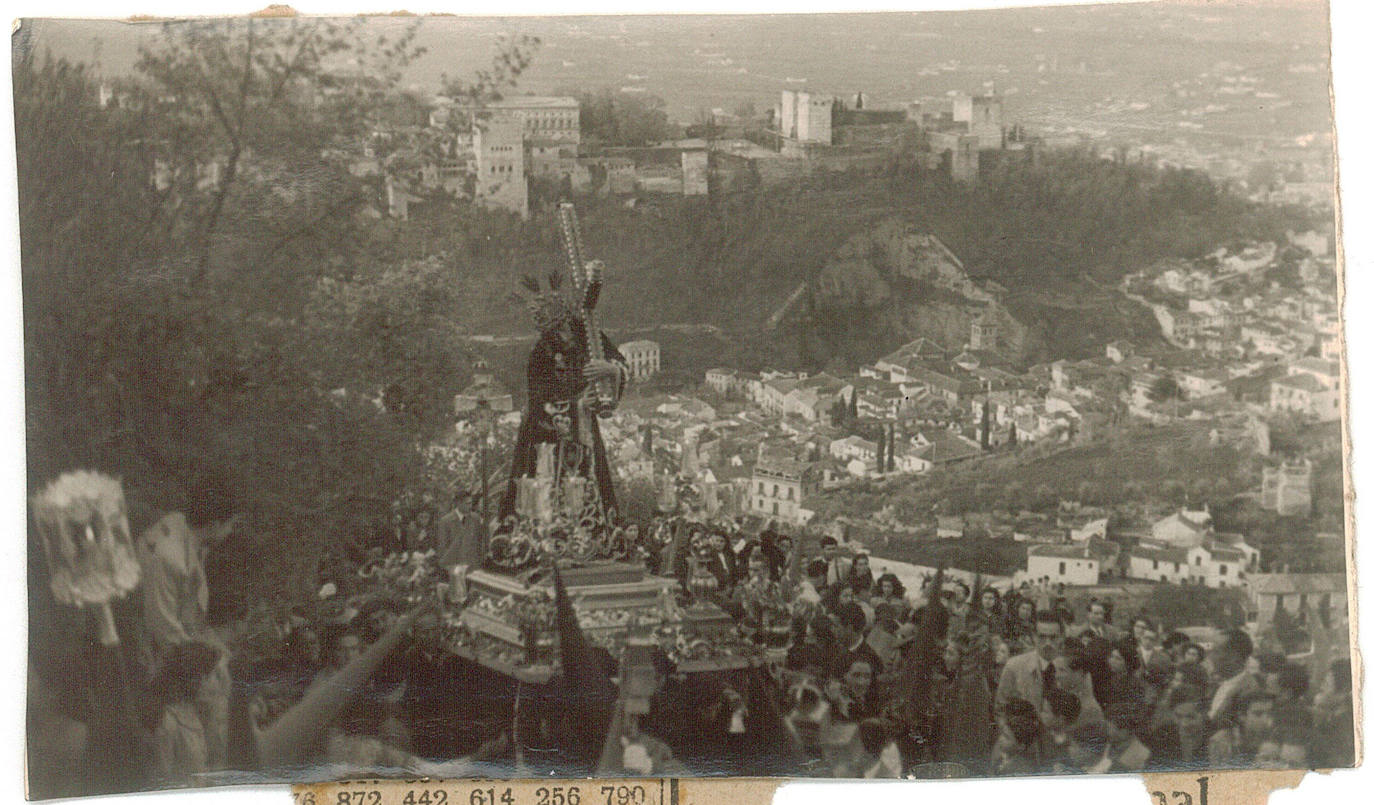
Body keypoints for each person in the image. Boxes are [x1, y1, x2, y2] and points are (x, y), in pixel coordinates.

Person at [498, 274, 629, 523]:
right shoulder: (540, 354)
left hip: (586, 430)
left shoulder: (587, 334)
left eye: (564, 329)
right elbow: (538, 405)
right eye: (557, 332)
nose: (563, 336)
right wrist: (578, 406)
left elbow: (620, 364)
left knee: (591, 493)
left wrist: (611, 371)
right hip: (546, 438)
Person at [140, 474, 243, 771]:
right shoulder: (168, 556)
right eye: (231, 523)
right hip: (162, 663)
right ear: (214, 524)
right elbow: (162, 626)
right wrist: (212, 660)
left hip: (183, 650)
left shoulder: (191, 539)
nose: (232, 530)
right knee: (214, 700)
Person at [149, 641, 222, 788]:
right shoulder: (168, 724)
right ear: (195, 679)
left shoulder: (201, 715)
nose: (216, 684)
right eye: (212, 677)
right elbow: (162, 783)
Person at [995, 610, 1065, 721]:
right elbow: (1001, 710)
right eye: (1042, 637)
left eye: (1053, 637)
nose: (1048, 643)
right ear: (1034, 637)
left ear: (1061, 637)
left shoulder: (1069, 668)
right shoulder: (1014, 666)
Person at [1207, 690, 1275, 768]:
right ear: (1242, 716)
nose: (1266, 720)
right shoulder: (1222, 741)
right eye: (1258, 714)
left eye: (1270, 713)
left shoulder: (1275, 739)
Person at [1207, 628, 1259, 724]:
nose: (1210, 657)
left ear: (1235, 656)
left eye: (1216, 652)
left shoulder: (1248, 691)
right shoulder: (1221, 683)